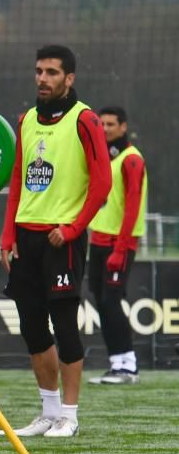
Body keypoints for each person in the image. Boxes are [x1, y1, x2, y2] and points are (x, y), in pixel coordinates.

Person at [1, 44, 111, 438]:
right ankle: (47, 411)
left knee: (64, 324)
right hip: (26, 238)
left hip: (60, 239)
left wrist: (74, 228)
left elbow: (102, 184)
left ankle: (69, 414)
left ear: (70, 78)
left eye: (51, 72)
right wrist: (7, 233)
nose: (43, 78)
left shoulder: (86, 121)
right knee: (31, 325)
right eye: (39, 71)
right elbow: (17, 179)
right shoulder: (27, 119)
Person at [86, 106, 147, 385]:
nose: (106, 128)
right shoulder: (105, 158)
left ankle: (129, 365)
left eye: (111, 124)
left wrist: (121, 249)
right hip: (98, 241)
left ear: (123, 127)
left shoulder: (131, 160)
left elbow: (132, 207)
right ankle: (116, 364)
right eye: (103, 123)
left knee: (111, 301)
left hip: (118, 243)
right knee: (101, 302)